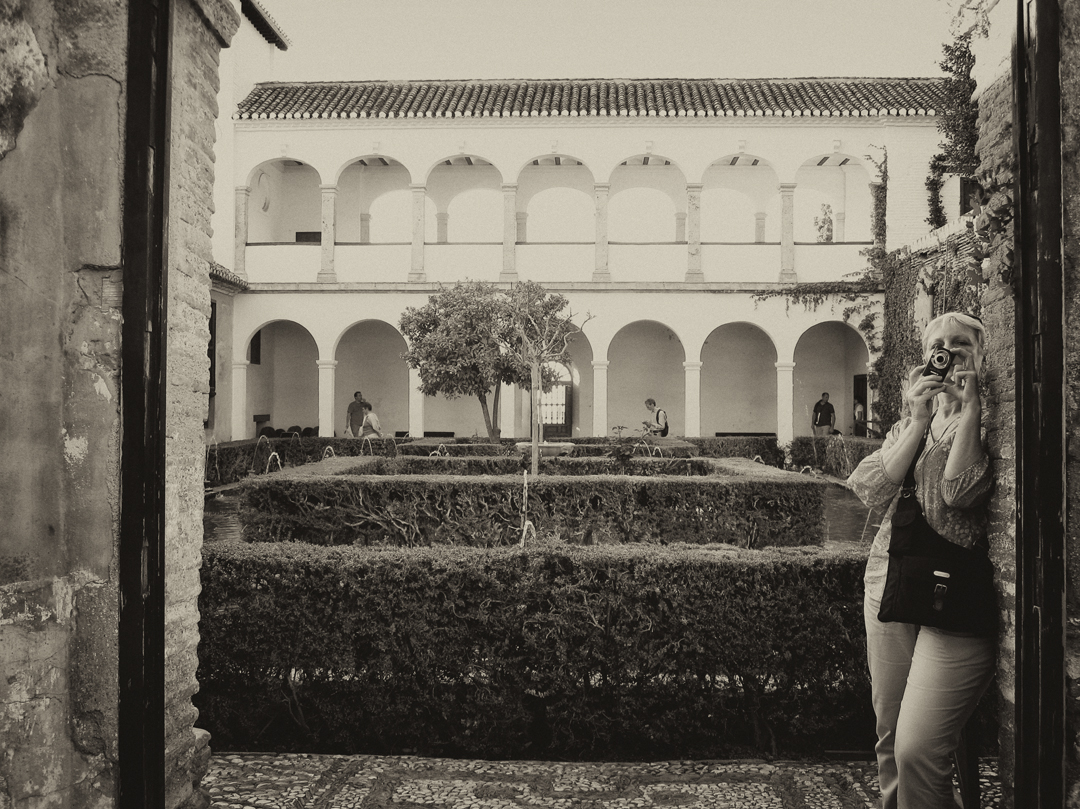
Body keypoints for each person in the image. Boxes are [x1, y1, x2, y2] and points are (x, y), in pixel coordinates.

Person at [847, 312, 995, 809]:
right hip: (889, 583)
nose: (948, 353)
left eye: (961, 344)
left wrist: (968, 408)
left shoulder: (990, 421)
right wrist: (916, 420)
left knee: (918, 748)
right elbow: (869, 488)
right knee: (890, 733)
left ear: (981, 354)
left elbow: (960, 492)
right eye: (938, 345)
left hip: (949, 596)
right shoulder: (912, 420)